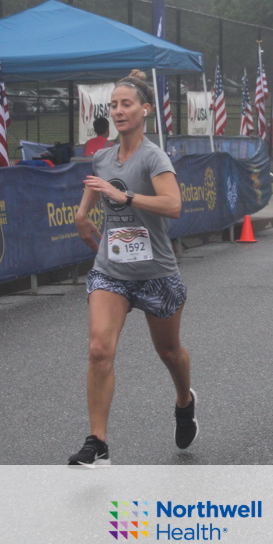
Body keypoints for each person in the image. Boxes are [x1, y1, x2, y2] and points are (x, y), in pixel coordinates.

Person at [69, 70, 196, 467]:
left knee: (169, 352)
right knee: (99, 350)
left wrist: (125, 197)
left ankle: (184, 401)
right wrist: (82, 215)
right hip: (112, 271)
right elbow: (96, 182)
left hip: (156, 273)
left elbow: (173, 205)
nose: (119, 111)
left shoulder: (154, 157)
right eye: (114, 105)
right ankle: (98, 443)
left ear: (145, 110)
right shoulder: (104, 157)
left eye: (126, 104)